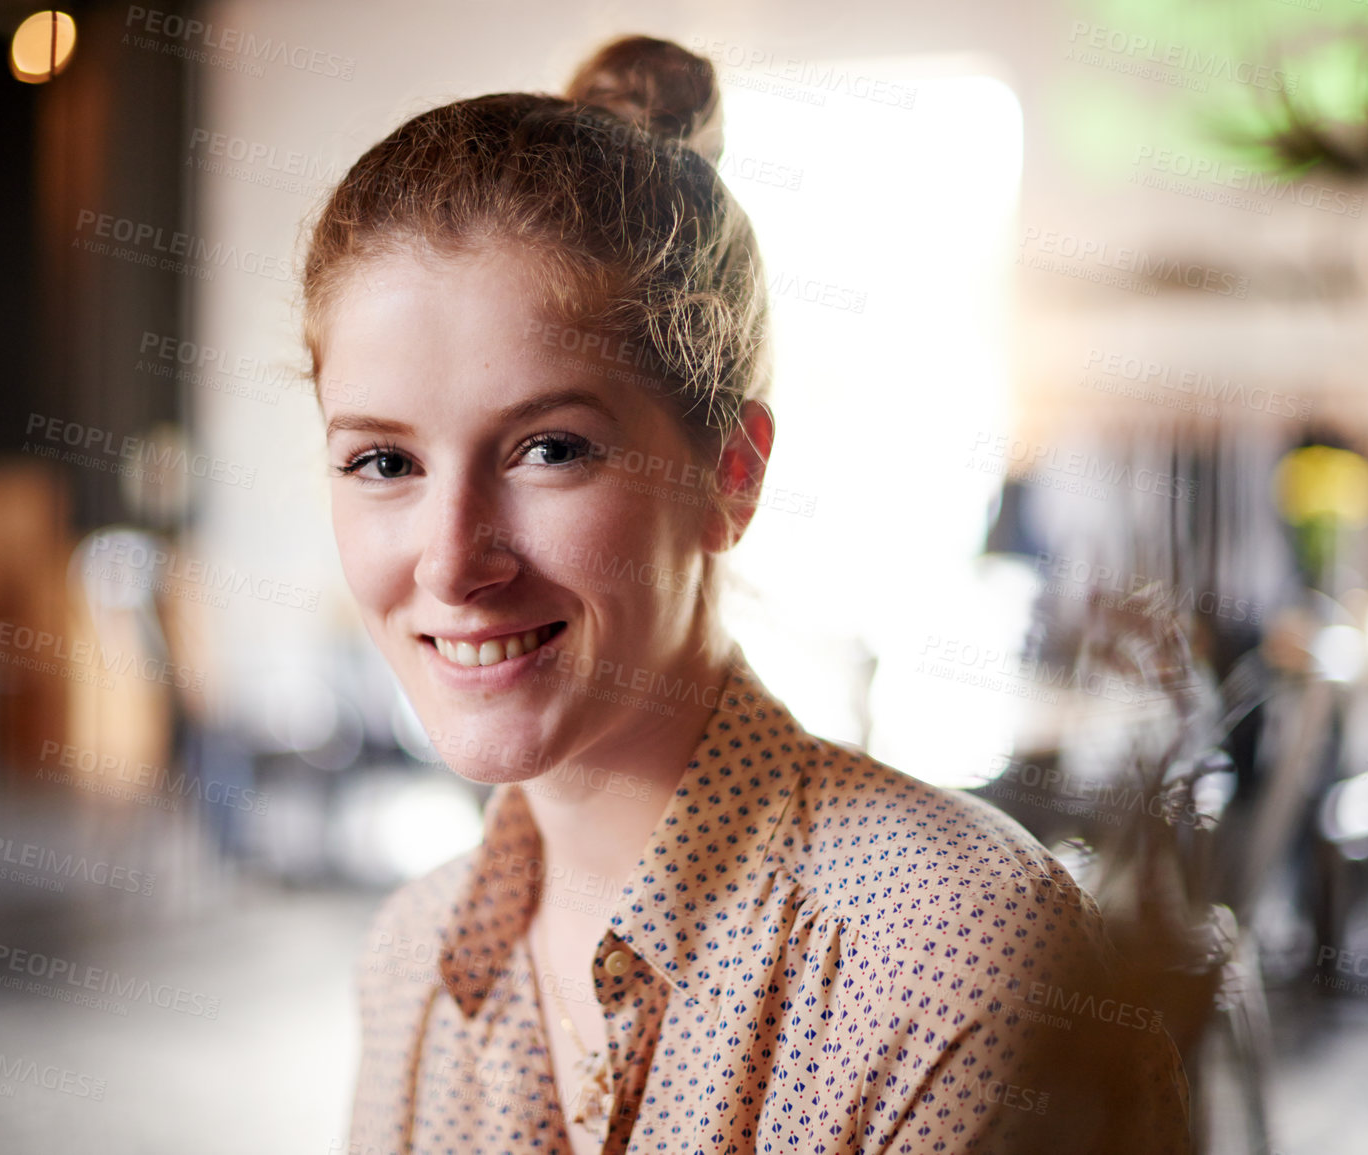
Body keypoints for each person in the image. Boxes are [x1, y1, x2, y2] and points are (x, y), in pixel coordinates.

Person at [302, 34, 1192, 1155]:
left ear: (732, 473)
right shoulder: (411, 963)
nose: (449, 562)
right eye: (383, 461)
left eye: (551, 448)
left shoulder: (954, 956)